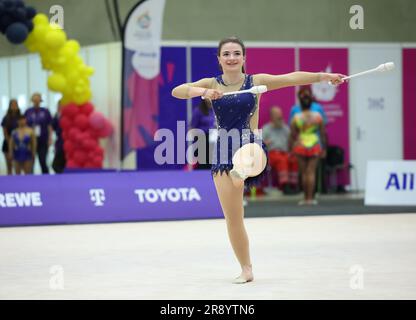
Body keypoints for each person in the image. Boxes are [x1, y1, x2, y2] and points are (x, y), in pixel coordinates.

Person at [172, 36, 344, 284]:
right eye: (227, 54)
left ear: (244, 57)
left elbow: (290, 78)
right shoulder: (212, 83)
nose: (232, 58)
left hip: (250, 142)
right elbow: (177, 91)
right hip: (222, 150)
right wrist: (204, 91)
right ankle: (246, 268)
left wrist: (322, 76)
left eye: (236, 53)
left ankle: (241, 172)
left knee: (250, 155)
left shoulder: (257, 82)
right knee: (233, 218)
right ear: (219, 59)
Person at [289, 91, 327, 205]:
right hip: (314, 144)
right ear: (311, 103)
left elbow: (292, 134)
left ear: (300, 103)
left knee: (304, 173)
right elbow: (323, 133)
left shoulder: (296, 117)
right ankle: (310, 198)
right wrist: (324, 148)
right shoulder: (318, 116)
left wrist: (291, 147)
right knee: (311, 172)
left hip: (301, 144)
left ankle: (305, 198)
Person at [262, 106, 299, 194]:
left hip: (285, 152)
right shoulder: (266, 128)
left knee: (293, 159)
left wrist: (294, 146)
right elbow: (260, 144)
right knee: (282, 160)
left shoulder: (285, 128)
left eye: (280, 115)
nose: (280, 117)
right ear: (272, 116)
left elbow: (292, 141)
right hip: (272, 154)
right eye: (277, 115)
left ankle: (293, 185)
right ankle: (285, 186)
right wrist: (265, 143)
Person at [24, 93, 53, 174]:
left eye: (38, 99)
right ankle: (30, 179)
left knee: (42, 160)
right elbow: (24, 125)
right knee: (31, 161)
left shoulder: (45, 111)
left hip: (43, 139)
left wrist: (50, 138)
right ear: (32, 100)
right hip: (31, 140)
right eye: (34, 99)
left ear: (40, 100)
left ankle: (46, 178)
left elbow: (49, 125)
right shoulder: (28, 111)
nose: (36, 101)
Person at [190, 99, 215, 170]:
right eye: (208, 99)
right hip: (201, 139)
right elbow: (192, 127)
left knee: (211, 162)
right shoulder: (198, 111)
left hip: (212, 139)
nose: (210, 100)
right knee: (202, 163)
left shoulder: (213, 110)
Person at [1, 99, 21, 175]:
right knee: (9, 165)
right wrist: (10, 142)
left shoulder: (20, 117)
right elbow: (4, 131)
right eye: (12, 104)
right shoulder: (6, 118)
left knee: (17, 166)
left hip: (19, 143)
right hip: (7, 142)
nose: (14, 106)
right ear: (9, 106)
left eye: (15, 104)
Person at [51, 101, 66, 173]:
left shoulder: (67, 115)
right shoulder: (57, 115)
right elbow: (53, 126)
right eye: (59, 105)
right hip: (59, 141)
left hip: (67, 141)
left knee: (62, 161)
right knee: (56, 164)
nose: (60, 107)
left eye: (62, 105)